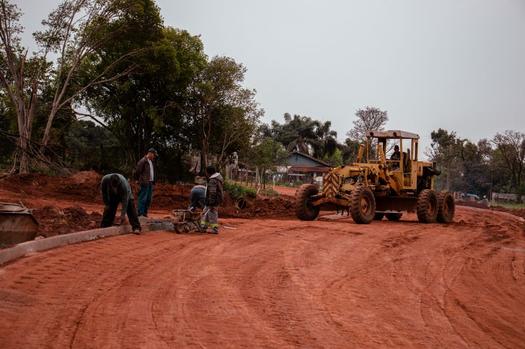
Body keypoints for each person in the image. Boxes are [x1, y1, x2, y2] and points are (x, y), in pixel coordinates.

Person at [200, 165, 224, 234]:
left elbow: (212, 192)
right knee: (206, 212)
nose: (206, 173)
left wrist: (211, 202)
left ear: (209, 172)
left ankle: (214, 229)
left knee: (212, 214)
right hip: (215, 199)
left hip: (213, 200)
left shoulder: (213, 180)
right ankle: (203, 227)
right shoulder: (217, 178)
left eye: (206, 172)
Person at [134, 148, 157, 217]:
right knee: (143, 198)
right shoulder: (143, 161)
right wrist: (137, 180)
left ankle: (144, 213)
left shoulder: (151, 161)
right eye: (154, 155)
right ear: (150, 153)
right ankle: (140, 213)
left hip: (150, 182)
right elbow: (137, 171)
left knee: (148, 199)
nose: (154, 156)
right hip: (144, 182)